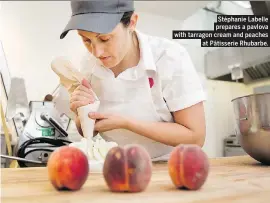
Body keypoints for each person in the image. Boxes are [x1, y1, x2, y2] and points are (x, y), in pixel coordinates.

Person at [59, 0, 206, 161]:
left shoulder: (169, 57)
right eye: (86, 40)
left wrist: (126, 123)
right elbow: (89, 131)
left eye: (105, 39)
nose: (97, 52)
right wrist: (82, 116)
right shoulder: (88, 64)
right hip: (112, 167)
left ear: (132, 23)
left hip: (167, 168)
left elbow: (195, 137)